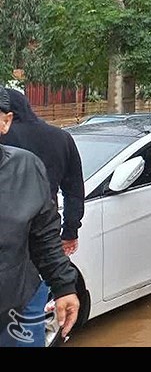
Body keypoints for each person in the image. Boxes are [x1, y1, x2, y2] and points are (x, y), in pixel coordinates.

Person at [0, 86, 80, 347]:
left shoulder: (25, 167)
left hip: (17, 304)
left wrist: (64, 286)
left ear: (5, 121)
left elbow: (43, 235)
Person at [0, 89, 84, 256]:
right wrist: (70, 231)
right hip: (46, 229)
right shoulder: (62, 138)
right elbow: (74, 191)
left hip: (8, 234)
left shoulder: (5, 139)